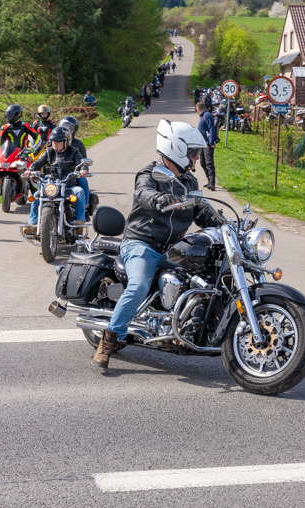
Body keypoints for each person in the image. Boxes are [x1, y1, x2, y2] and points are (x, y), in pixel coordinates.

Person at [92, 119, 219, 369]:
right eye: (192, 153)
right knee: (138, 285)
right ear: (176, 149)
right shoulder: (149, 174)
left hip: (171, 249)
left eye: (195, 153)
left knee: (203, 276)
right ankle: (108, 339)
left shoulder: (190, 182)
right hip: (141, 243)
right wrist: (161, 199)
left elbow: (201, 214)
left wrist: (222, 224)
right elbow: (144, 194)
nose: (195, 159)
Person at [21, 126, 88, 235]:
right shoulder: (49, 151)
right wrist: (30, 169)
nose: (54, 143)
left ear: (66, 141)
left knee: (79, 192)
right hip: (52, 184)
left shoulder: (74, 151)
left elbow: (82, 162)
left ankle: (79, 223)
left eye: (58, 141)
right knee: (37, 195)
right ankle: (33, 223)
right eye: (53, 141)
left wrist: (83, 169)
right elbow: (38, 162)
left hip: (68, 184)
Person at [57, 115, 92, 226]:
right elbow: (45, 158)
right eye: (64, 127)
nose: (66, 130)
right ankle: (35, 221)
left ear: (74, 130)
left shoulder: (78, 144)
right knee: (41, 189)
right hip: (56, 174)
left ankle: (85, 205)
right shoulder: (54, 143)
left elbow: (83, 161)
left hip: (73, 173)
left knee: (83, 181)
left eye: (69, 128)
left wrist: (83, 169)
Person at [196, 102, 217, 190]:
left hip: (207, 143)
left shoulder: (207, 115)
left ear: (198, 109)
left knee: (209, 163)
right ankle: (209, 180)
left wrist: (211, 142)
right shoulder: (203, 116)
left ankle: (212, 183)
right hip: (202, 143)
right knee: (202, 163)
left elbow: (212, 129)